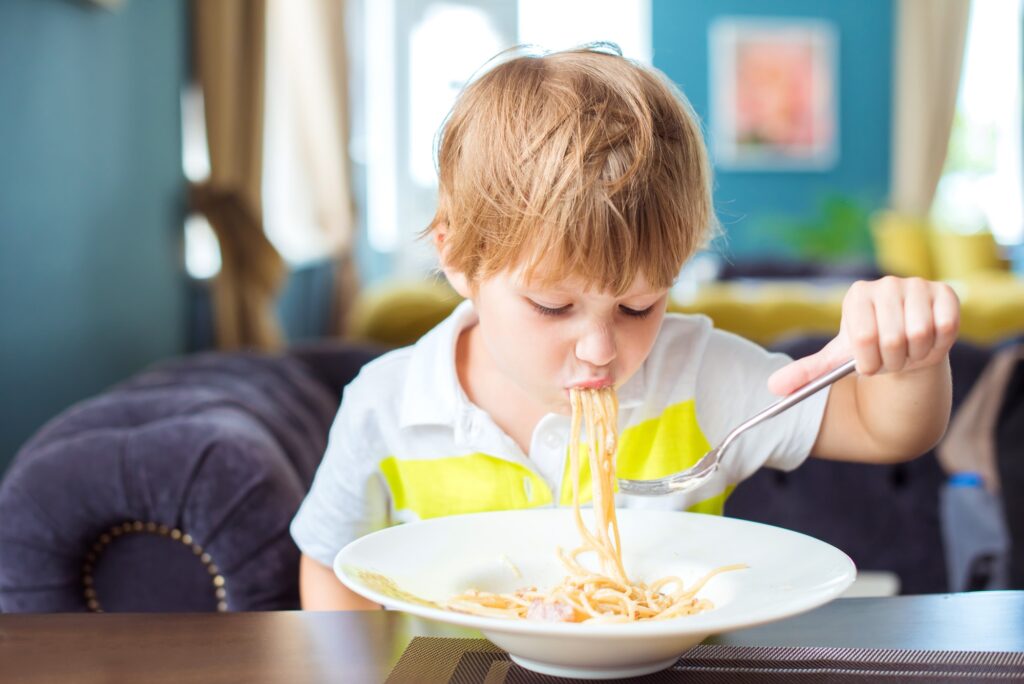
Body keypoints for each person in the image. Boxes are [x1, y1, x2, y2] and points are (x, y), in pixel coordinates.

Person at [291, 45, 959, 610]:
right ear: (458, 255)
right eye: (553, 307)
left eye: (640, 306)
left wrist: (909, 353)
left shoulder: (699, 376)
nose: (600, 348)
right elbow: (330, 560)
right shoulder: (388, 404)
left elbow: (887, 430)